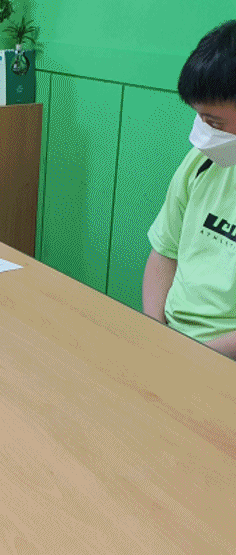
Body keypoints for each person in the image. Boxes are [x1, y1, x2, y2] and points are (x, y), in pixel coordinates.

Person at [143, 20, 236, 358]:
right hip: (172, 345)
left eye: (214, 122)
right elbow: (163, 253)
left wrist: (191, 359)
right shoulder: (201, 163)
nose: (203, 133)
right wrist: (154, 332)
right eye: (199, 118)